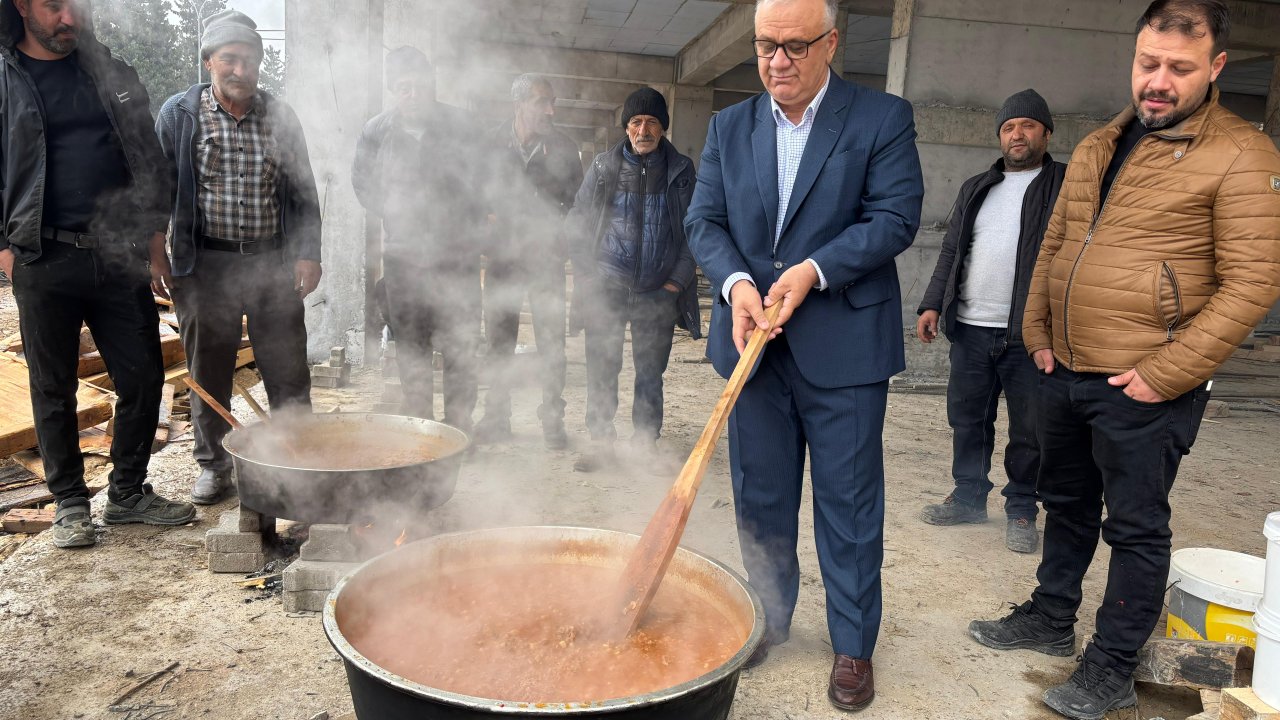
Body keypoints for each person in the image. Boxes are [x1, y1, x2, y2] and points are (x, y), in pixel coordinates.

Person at [967, 2, 1280, 718]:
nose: (1158, 81)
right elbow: (1055, 243)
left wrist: (1165, 373)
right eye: (1148, 62)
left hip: (1147, 382)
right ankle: (1052, 614)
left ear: (1216, 67)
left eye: (1179, 67)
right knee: (1066, 501)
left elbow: (1254, 282)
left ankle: (1109, 666)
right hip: (1066, 368)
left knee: (1135, 527)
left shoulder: (1243, 154)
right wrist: (1037, 330)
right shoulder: (1102, 142)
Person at [684, 0, 923, 710]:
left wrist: (813, 270)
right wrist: (735, 284)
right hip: (753, 343)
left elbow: (895, 217)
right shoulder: (729, 126)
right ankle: (768, 616)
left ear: (830, 43)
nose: (777, 61)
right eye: (766, 46)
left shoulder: (881, 118)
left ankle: (852, 644)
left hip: (844, 344)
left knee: (848, 501)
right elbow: (704, 220)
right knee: (760, 493)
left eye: (794, 45)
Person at [0, 0, 195, 548]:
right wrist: (4, 248)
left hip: (118, 253)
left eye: (78, 5)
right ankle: (69, 503)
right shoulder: (5, 79)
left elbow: (149, 161)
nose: (70, 18)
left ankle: (127, 492)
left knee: (144, 376)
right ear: (22, 6)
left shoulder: (112, 71)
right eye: (55, 6)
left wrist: (155, 243)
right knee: (53, 385)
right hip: (43, 256)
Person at [156, 9, 323, 505]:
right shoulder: (180, 115)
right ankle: (214, 465)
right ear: (209, 61)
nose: (241, 69)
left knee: (287, 367)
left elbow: (303, 191)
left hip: (272, 262)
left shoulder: (280, 117)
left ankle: (298, 459)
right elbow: (156, 190)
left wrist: (308, 253)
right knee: (209, 368)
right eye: (229, 59)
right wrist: (155, 255)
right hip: (206, 266)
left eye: (250, 59)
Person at [916, 89, 1066, 554]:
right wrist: (932, 303)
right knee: (967, 419)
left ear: (1046, 133)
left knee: (1030, 428)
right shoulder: (977, 187)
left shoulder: (1066, 184)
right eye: (1008, 127)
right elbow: (952, 250)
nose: (1017, 134)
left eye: (1027, 125)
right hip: (972, 326)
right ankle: (968, 497)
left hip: (1031, 333)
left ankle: (1021, 507)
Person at [565, 88, 701, 473]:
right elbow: (577, 222)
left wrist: (674, 285)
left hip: (658, 290)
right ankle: (601, 443)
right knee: (602, 366)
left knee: (650, 372)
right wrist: (587, 276)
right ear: (626, 127)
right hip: (607, 286)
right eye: (636, 122)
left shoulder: (681, 171)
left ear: (663, 127)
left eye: (652, 122)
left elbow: (696, 230)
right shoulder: (603, 168)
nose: (644, 130)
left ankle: (644, 444)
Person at [352, 47, 479, 433]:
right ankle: (423, 427)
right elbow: (362, 183)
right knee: (411, 344)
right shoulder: (376, 131)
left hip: (456, 255)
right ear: (394, 90)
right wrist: (395, 211)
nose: (413, 94)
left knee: (460, 343)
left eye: (420, 86)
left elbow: (485, 180)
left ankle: (459, 426)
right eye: (404, 87)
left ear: (432, 84)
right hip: (404, 257)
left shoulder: (462, 126)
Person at [475, 74, 582, 450]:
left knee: (552, 343)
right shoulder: (490, 144)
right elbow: (472, 194)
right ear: (518, 103)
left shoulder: (565, 148)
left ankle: (552, 419)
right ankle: (496, 418)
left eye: (552, 103)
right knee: (498, 342)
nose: (550, 110)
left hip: (544, 260)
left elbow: (578, 205)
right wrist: (486, 225)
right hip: (502, 258)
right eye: (541, 102)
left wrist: (559, 240)